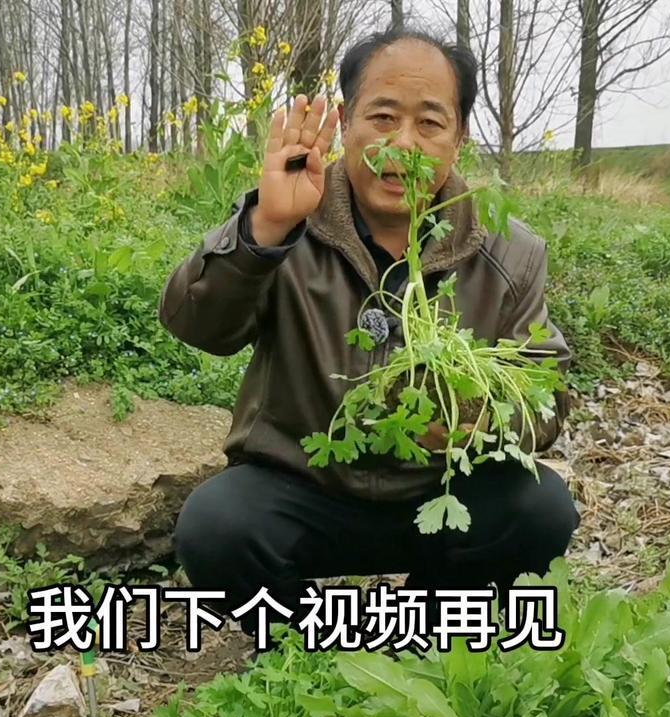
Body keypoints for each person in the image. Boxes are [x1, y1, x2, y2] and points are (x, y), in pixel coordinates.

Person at [158, 27, 580, 645]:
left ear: (459, 138)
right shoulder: (290, 218)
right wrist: (264, 229)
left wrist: (480, 421)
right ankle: (314, 644)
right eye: (382, 117)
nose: (402, 143)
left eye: (429, 123)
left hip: (441, 494)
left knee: (541, 508)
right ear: (345, 122)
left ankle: (426, 629)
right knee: (215, 526)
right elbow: (197, 326)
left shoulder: (508, 251)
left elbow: (546, 393)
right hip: (304, 490)